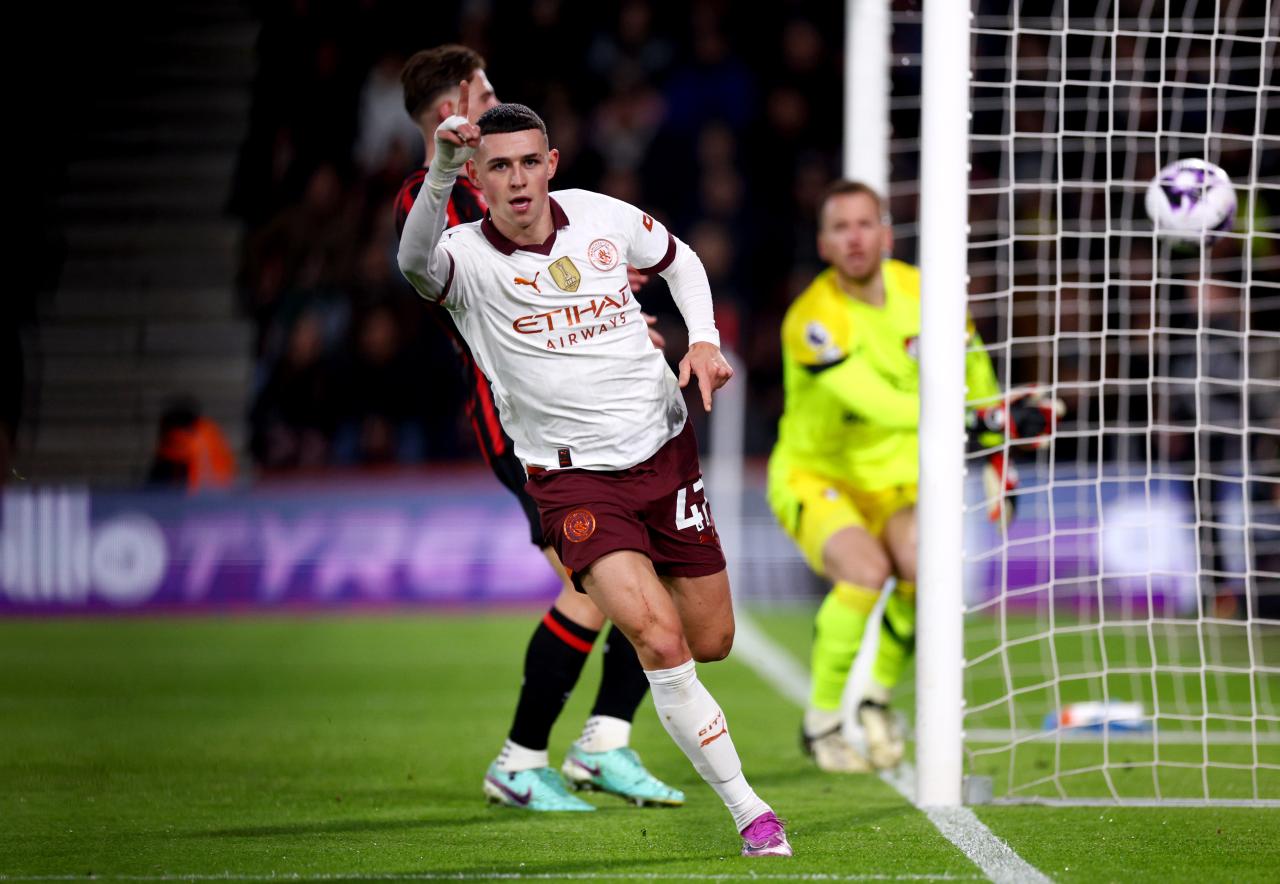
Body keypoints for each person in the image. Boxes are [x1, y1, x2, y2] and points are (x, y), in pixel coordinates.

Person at [397, 89, 791, 857]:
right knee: (655, 634)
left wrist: (703, 340)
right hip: (574, 482)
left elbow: (681, 261)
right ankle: (751, 813)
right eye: (496, 167)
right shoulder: (466, 262)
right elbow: (412, 262)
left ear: (551, 164)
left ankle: (602, 740)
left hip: (665, 456)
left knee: (711, 638)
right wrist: (441, 169)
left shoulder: (599, 217)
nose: (516, 181)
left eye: (527, 164)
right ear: (478, 175)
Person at [395, 45, 681, 812]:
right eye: (486, 87)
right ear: (460, 96)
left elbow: (557, 266)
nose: (496, 97)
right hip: (522, 423)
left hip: (588, 408)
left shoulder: (506, 176)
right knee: (597, 589)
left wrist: (610, 311)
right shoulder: (436, 196)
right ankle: (525, 759)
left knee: (646, 575)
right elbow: (472, 280)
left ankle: (605, 743)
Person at [768, 180, 1052, 772]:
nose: (854, 237)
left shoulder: (928, 295)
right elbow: (876, 402)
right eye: (840, 227)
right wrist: (981, 422)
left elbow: (975, 373)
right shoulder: (812, 321)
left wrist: (1000, 455)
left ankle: (874, 700)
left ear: (887, 234)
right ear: (823, 243)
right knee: (867, 571)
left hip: (898, 477)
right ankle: (822, 723)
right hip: (816, 476)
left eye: (864, 223)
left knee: (924, 567)